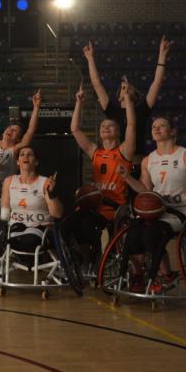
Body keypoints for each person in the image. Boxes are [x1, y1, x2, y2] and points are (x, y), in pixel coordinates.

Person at [120, 116, 186, 294]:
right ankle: (138, 275)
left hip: (179, 212)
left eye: (162, 126)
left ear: (173, 131)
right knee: (134, 231)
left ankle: (166, 274)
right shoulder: (148, 160)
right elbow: (145, 190)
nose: (157, 129)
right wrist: (127, 177)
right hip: (156, 210)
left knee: (151, 234)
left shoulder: (185, 155)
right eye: (154, 126)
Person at [67, 84, 135, 264]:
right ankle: (86, 259)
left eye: (111, 126)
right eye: (103, 125)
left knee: (112, 240)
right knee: (73, 223)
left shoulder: (124, 151)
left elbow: (132, 125)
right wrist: (78, 102)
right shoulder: (95, 152)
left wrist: (126, 98)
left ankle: (109, 260)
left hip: (116, 208)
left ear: (118, 132)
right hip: (95, 206)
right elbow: (74, 130)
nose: (106, 127)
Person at [0, 73, 41, 240]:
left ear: (18, 138)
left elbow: (30, 132)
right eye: (9, 128)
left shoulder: (16, 149)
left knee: (3, 230)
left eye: (15, 130)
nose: (10, 130)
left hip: (6, 198)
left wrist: (36, 108)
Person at [82, 36, 171, 156]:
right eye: (123, 88)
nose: (126, 88)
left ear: (136, 95)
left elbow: (157, 83)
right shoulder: (112, 110)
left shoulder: (142, 109)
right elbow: (97, 84)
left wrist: (162, 54)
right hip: (117, 163)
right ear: (119, 97)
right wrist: (90, 58)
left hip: (137, 161)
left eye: (129, 88)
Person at [0, 147, 62, 253]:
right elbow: (4, 213)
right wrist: (3, 227)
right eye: (22, 154)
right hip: (17, 226)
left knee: (29, 239)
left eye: (30, 154)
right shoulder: (9, 181)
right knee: (10, 239)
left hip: (40, 227)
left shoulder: (44, 182)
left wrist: (51, 193)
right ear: (18, 162)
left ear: (36, 162)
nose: (26, 156)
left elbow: (57, 214)